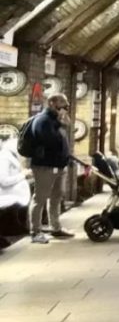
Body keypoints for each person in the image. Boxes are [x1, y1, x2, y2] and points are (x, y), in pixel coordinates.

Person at [24, 93, 74, 243]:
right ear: (52, 103)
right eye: (62, 104)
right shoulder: (43, 120)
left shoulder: (55, 120)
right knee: (40, 198)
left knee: (56, 196)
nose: (65, 108)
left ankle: (56, 227)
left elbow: (64, 140)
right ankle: (35, 231)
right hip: (44, 166)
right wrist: (60, 123)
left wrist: (63, 124)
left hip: (58, 165)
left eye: (66, 105)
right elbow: (50, 141)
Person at [0, 136, 30, 250]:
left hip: (14, 195)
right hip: (6, 195)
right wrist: (23, 175)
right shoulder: (4, 158)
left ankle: (15, 227)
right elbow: (3, 181)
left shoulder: (10, 156)